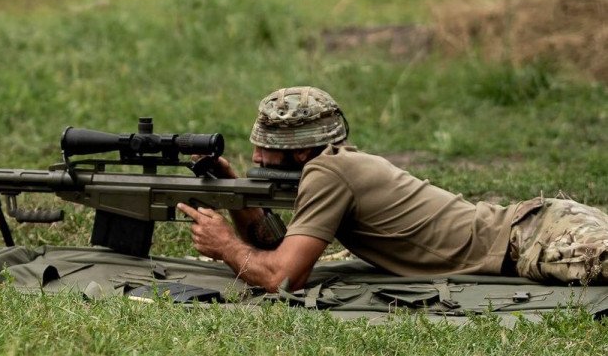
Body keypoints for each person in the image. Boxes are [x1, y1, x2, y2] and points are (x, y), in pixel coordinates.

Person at [177, 86, 608, 291]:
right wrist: (234, 192)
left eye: (265, 148)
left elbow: (282, 275)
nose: (257, 156)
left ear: (295, 151)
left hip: (535, 239)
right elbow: (276, 247)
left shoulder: (327, 174)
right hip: (536, 227)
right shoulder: (333, 166)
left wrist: (225, 247)